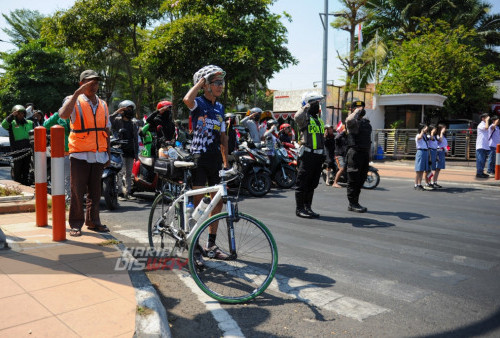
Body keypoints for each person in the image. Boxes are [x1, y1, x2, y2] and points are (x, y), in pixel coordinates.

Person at [183, 64, 230, 266]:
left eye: (222, 82)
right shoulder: (199, 103)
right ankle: (194, 245)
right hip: (199, 157)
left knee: (217, 202)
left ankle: (211, 245)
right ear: (205, 85)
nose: (221, 85)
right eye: (216, 82)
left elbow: (223, 136)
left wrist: (226, 162)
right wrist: (201, 81)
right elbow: (187, 100)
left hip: (215, 159)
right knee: (199, 204)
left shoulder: (219, 107)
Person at [59, 69, 111, 237]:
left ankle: (93, 221)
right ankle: (75, 224)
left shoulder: (103, 104)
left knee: (96, 192)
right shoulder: (73, 100)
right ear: (82, 83)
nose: (94, 85)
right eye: (90, 82)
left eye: (96, 82)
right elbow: (63, 115)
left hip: (99, 154)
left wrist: (108, 153)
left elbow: (106, 129)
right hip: (80, 154)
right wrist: (76, 94)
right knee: (77, 191)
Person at [294, 92, 325, 218]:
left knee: (312, 184)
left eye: (317, 103)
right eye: (315, 103)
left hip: (318, 156)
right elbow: (297, 116)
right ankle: (300, 209)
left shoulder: (318, 120)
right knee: (302, 183)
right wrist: (306, 106)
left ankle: (308, 207)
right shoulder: (304, 119)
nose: (317, 106)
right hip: (307, 155)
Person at [345, 101, 372, 212]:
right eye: (357, 107)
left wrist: (369, 155)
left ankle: (356, 202)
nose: (361, 109)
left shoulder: (366, 122)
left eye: (362, 107)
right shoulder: (352, 122)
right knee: (353, 179)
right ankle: (352, 203)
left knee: (361, 179)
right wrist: (356, 111)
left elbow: (368, 140)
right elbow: (349, 120)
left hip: (364, 153)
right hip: (355, 153)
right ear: (353, 110)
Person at [110, 100, 139, 201]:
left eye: (131, 109)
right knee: (120, 173)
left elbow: (135, 139)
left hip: (130, 150)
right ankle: (119, 193)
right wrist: (117, 111)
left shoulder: (133, 123)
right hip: (119, 150)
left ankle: (128, 192)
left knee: (129, 173)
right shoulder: (117, 120)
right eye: (127, 109)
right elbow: (108, 119)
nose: (129, 111)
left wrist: (136, 153)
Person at [1, 105, 34, 185]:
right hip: (17, 150)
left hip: (28, 149)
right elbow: (4, 124)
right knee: (18, 170)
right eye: (19, 114)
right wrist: (12, 115)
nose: (21, 115)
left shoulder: (30, 123)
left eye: (22, 114)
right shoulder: (12, 123)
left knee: (26, 169)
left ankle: (26, 184)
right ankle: (18, 185)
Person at [43, 110, 71, 201]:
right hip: (62, 153)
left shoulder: (77, 115)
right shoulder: (58, 117)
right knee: (65, 177)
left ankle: (74, 197)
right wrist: (58, 114)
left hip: (77, 151)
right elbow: (46, 125)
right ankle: (68, 198)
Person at [414, 123, 429, 191]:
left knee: (422, 170)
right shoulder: (418, 135)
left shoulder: (425, 136)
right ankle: (416, 184)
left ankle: (419, 184)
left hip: (425, 152)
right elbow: (419, 137)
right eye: (425, 128)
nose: (426, 129)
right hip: (420, 152)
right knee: (418, 170)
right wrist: (422, 131)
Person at [433, 123, 448, 188]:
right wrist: (441, 133)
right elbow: (440, 141)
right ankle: (432, 181)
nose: (445, 129)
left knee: (438, 168)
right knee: (436, 168)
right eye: (443, 128)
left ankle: (435, 181)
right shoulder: (437, 136)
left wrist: (446, 150)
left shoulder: (443, 136)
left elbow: (445, 144)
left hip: (442, 152)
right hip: (438, 152)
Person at [476, 113, 490, 178]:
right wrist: (487, 120)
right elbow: (486, 128)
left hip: (485, 145)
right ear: (483, 118)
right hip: (480, 145)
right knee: (480, 159)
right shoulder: (481, 124)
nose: (487, 119)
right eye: (486, 117)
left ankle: (481, 172)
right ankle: (479, 173)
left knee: (483, 160)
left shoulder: (485, 124)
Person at [333, 122, 347, 188]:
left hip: (344, 155)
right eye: (345, 129)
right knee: (342, 169)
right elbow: (336, 138)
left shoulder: (346, 136)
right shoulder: (339, 135)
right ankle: (335, 183)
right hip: (339, 155)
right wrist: (343, 132)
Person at [425, 125, 438, 189]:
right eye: (434, 129)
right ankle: (427, 182)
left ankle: (430, 182)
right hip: (430, 152)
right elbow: (431, 139)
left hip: (434, 152)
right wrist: (432, 133)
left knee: (432, 169)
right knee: (429, 169)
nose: (435, 131)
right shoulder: (429, 136)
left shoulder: (435, 136)